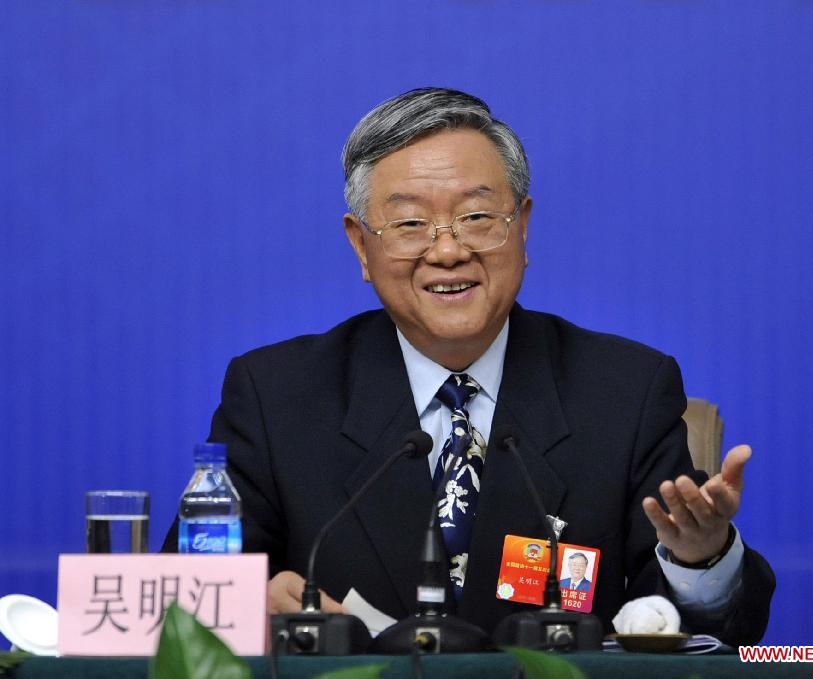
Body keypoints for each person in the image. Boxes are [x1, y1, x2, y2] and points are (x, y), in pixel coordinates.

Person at [163, 87, 774, 646]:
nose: (449, 250)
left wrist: (702, 560)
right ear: (361, 246)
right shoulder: (278, 397)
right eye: (409, 223)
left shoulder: (626, 391)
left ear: (524, 228)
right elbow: (180, 613)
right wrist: (245, 602)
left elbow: (707, 638)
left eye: (478, 218)